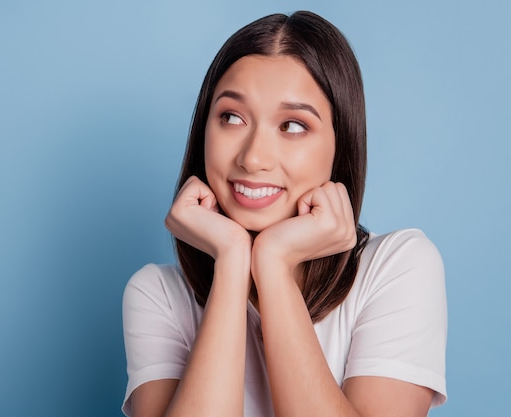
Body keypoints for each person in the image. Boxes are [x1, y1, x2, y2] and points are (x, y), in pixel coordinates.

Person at [121, 10, 447, 417]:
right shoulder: (159, 296)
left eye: (292, 125)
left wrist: (272, 264)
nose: (253, 157)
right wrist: (232, 259)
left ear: (339, 146)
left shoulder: (397, 267)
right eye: (232, 117)